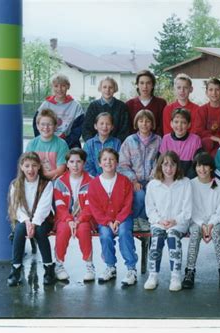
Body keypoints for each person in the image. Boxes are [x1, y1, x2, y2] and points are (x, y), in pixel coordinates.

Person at [87, 148, 137, 286]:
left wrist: (119, 220)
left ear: (116, 163)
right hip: (105, 220)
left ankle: (131, 269)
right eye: (104, 159)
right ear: (99, 163)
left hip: (123, 217)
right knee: (105, 235)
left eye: (111, 159)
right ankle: (110, 266)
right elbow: (95, 208)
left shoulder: (124, 181)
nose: (108, 162)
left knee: (124, 233)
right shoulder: (94, 184)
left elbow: (128, 203)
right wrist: (108, 222)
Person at [144, 151, 192, 291]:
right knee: (157, 237)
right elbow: (150, 210)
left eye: (172, 165)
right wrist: (160, 221)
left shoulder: (185, 183)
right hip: (159, 222)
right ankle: (153, 275)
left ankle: (175, 276)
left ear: (177, 166)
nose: (169, 168)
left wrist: (175, 221)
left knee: (172, 236)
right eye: (165, 164)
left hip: (179, 223)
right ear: (160, 166)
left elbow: (187, 210)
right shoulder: (153, 185)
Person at [7, 152, 55, 286]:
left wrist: (34, 223)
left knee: (39, 231)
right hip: (24, 219)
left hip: (43, 219)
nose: (31, 169)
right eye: (27, 166)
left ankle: (48, 268)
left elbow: (44, 207)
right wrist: (27, 221)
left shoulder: (46, 184)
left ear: (39, 166)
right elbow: (17, 207)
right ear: (21, 167)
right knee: (19, 229)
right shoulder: (16, 184)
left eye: (34, 165)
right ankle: (16, 268)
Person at [182, 152, 220, 289]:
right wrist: (202, 224)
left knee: (216, 233)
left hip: (215, 221)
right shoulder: (190, 185)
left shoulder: (219, 185)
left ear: (211, 168)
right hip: (196, 221)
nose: (202, 169)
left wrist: (210, 224)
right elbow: (189, 210)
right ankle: (189, 271)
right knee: (195, 233)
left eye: (205, 166)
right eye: (198, 166)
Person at [53, 148, 95, 282]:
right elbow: (59, 206)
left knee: (83, 230)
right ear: (67, 163)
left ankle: (89, 266)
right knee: (63, 230)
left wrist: (79, 220)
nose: (75, 165)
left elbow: (90, 206)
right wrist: (69, 220)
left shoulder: (92, 181)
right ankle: (59, 265)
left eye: (79, 162)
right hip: (65, 218)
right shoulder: (60, 182)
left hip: (84, 218)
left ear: (84, 163)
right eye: (72, 162)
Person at [118, 109, 162, 232]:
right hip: (133, 180)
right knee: (140, 195)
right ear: (136, 123)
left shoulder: (158, 140)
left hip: (152, 179)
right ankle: (135, 219)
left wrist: (152, 180)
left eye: (147, 121)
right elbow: (123, 164)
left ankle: (143, 220)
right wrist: (133, 180)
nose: (144, 124)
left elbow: (159, 162)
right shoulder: (129, 140)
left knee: (150, 193)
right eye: (141, 121)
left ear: (152, 124)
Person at [32, 74, 85, 148]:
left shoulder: (76, 106)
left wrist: (64, 144)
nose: (59, 89)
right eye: (56, 86)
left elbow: (78, 128)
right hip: (47, 142)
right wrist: (45, 139)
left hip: (69, 143)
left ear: (68, 86)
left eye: (63, 86)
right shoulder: (46, 105)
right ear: (52, 87)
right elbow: (37, 124)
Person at [192, 78, 220, 156]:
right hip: (205, 146)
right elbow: (198, 130)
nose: (214, 93)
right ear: (206, 92)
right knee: (207, 143)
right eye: (211, 90)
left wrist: (219, 140)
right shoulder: (201, 110)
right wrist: (215, 138)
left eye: (217, 90)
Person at [82, 77, 130, 143]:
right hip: (95, 146)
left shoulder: (122, 107)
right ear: (100, 89)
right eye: (104, 87)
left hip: (116, 147)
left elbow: (125, 130)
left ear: (115, 89)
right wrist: (93, 144)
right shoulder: (93, 106)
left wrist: (115, 144)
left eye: (111, 87)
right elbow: (86, 129)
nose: (107, 90)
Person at [26, 108, 69, 180]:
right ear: (37, 126)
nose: (46, 127)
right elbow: (28, 166)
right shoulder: (32, 144)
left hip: (55, 181)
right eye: (42, 124)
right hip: (35, 180)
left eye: (49, 124)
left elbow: (60, 170)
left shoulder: (62, 144)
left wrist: (42, 177)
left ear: (55, 126)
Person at [159, 107, 202, 179]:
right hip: (169, 178)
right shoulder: (166, 139)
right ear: (171, 124)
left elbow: (196, 164)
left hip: (188, 179)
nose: (179, 125)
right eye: (176, 122)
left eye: (183, 122)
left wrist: (186, 180)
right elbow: (161, 163)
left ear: (189, 125)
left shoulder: (195, 140)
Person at [126, 70, 167, 137]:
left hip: (155, 143)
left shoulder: (161, 103)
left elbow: (162, 127)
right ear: (137, 85)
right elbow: (128, 128)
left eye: (148, 83)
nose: (145, 86)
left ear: (152, 85)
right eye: (142, 83)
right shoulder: (129, 104)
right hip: (135, 143)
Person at [83, 112, 121, 177]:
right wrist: (99, 178)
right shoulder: (89, 144)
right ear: (95, 126)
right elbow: (87, 165)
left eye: (108, 124)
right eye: (101, 123)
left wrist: (110, 176)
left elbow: (119, 162)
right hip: (93, 179)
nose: (104, 126)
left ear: (112, 127)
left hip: (113, 177)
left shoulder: (117, 142)